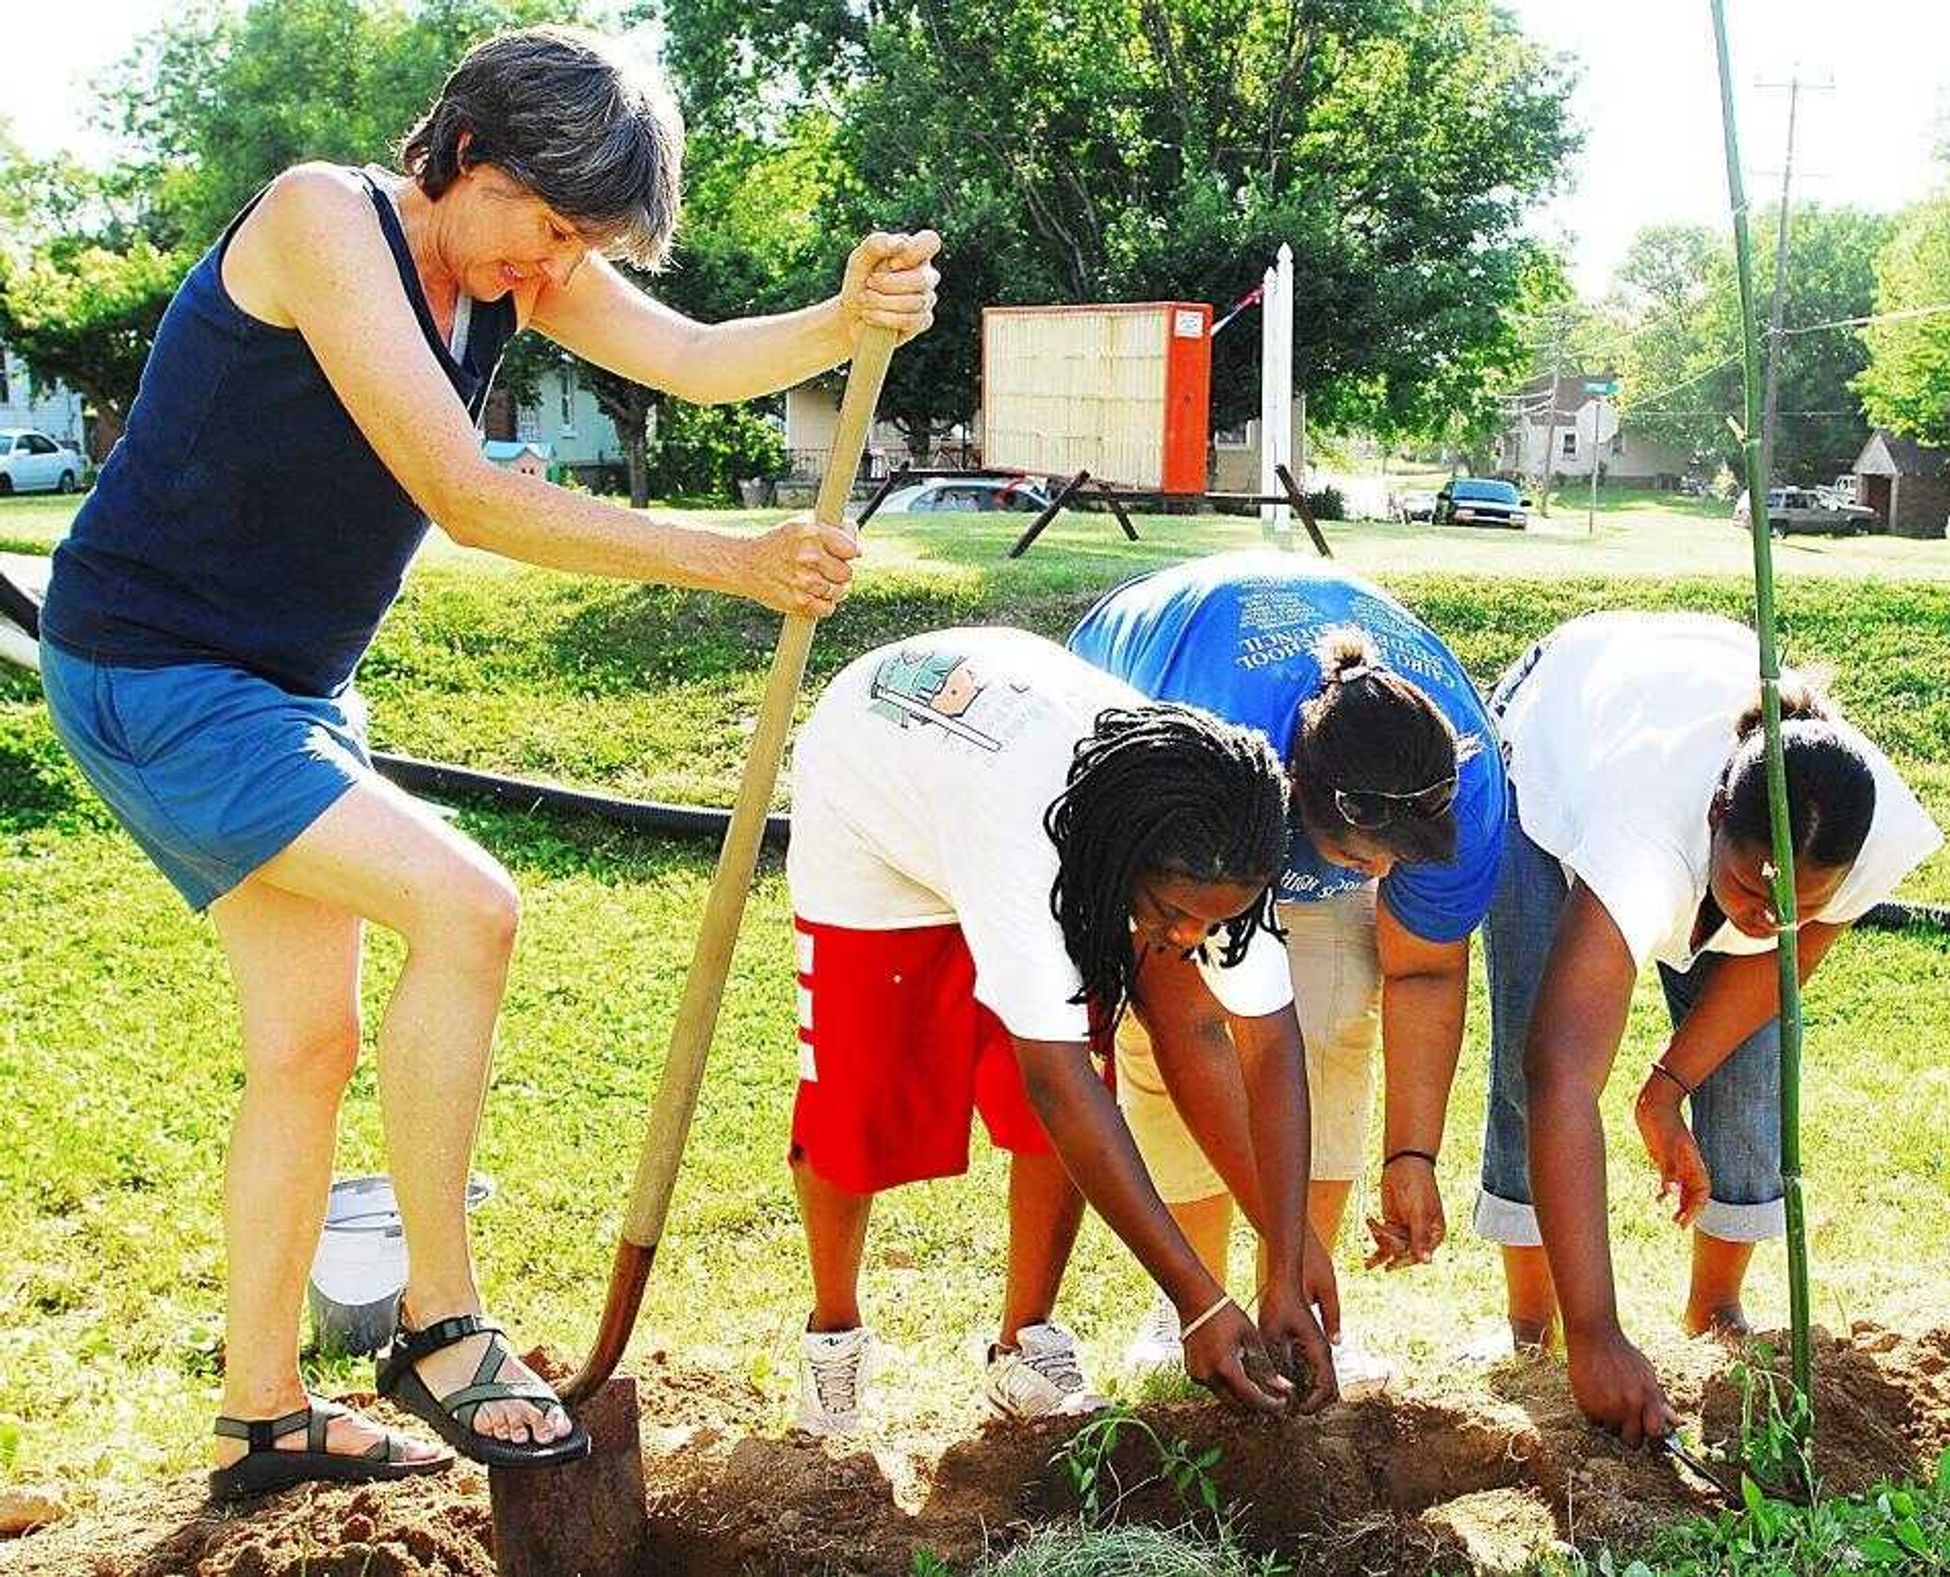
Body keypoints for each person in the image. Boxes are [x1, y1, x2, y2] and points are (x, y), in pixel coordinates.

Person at [34, 25, 940, 1499]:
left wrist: (843, 317)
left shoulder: (510, 252)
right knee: (471, 906)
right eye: (552, 225)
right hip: (157, 669)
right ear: (465, 154)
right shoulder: (323, 222)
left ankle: (262, 1417)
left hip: (284, 685)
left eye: (585, 239)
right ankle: (439, 1326)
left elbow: (698, 360)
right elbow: (463, 494)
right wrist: (738, 561)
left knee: (306, 1046)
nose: (557, 265)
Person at [785, 626, 1344, 1435]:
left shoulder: (1216, 825)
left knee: (1072, 1064)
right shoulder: (1027, 838)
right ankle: (832, 1336)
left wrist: (1286, 1258)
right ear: (1119, 864)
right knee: (858, 1100)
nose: (1191, 938)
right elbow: (1059, 1083)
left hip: (1002, 784)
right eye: (1173, 914)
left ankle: (1025, 1339)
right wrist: (1199, 1302)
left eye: (1209, 921)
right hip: (877, 818)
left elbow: (1258, 1042)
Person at [1475, 611, 1942, 1444]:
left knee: (1752, 1067)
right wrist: (1599, 1334)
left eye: (1799, 903)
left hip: (1673, 695)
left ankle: (1716, 1308)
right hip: (1554, 739)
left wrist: (1667, 1088)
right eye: (1752, 889)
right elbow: (1561, 1070)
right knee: (1525, 1061)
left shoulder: (1861, 817)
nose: (1770, 918)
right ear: (1718, 814)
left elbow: (1779, 962)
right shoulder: (1642, 833)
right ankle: (1536, 1324)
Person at [1069, 550, 1506, 1392]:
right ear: (1296, 790)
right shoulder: (1212, 737)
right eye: (1357, 855)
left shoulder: (1466, 786)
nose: (1379, 876)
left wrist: (1410, 1154)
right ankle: (1189, 1301)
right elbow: (1187, 1019)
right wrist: (1284, 1232)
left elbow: (1421, 973)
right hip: (1167, 734)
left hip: (1310, 777)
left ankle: (1301, 1304)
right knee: (1160, 1052)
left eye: (1395, 861)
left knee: (1335, 1015)